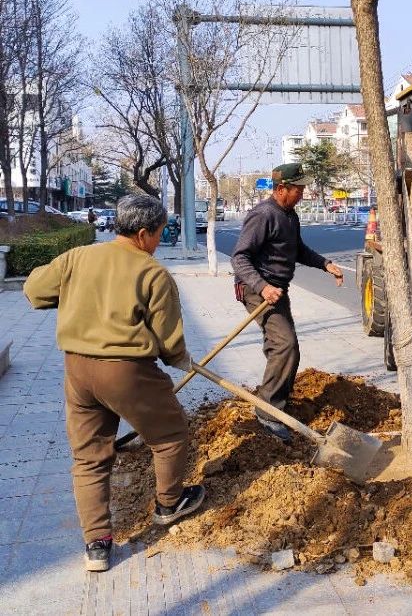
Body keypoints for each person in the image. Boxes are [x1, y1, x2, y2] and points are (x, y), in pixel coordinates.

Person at [23, 194, 205, 573]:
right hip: (128, 372)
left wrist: (77, 295)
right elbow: (169, 341)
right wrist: (179, 359)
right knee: (170, 434)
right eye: (158, 234)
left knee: (89, 458)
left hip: (78, 371)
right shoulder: (152, 273)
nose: (158, 241)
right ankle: (169, 503)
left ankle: (97, 545)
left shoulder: (78, 257)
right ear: (142, 233)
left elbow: (35, 291)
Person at [231, 163, 344, 442]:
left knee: (282, 347)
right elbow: (240, 258)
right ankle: (268, 413)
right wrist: (263, 286)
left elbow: (297, 250)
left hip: (276, 290)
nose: (302, 195)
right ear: (281, 189)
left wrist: (325, 264)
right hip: (258, 290)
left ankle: (274, 398)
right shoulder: (263, 215)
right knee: (285, 345)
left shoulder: (289, 216)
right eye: (298, 190)